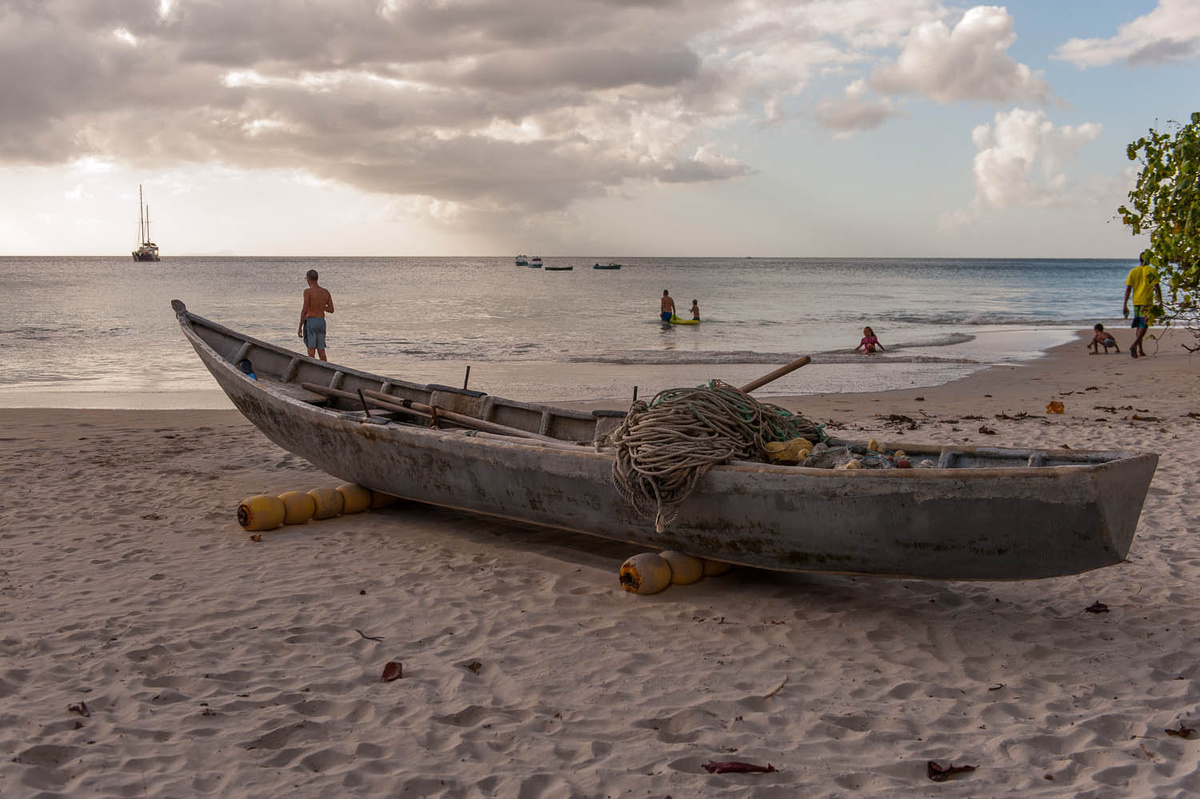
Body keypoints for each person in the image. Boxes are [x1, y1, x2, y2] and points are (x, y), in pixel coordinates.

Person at [1122, 257, 1162, 358]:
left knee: (1139, 325)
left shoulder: (1133, 271)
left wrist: (1125, 304)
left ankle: (1140, 350)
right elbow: (1157, 287)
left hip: (1136, 301)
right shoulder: (1152, 270)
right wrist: (1160, 301)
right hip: (1147, 301)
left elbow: (1128, 289)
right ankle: (1134, 345)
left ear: (1140, 260)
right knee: (1144, 325)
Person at [298, 269, 335, 361]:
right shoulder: (325, 292)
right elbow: (331, 309)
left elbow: (304, 310)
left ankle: (312, 371)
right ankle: (327, 370)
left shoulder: (308, 292)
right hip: (321, 322)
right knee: (321, 350)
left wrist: (300, 327)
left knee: (311, 350)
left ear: (309, 279)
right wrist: (321, 306)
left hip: (311, 321)